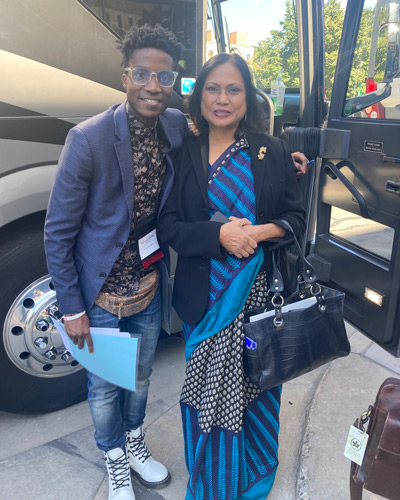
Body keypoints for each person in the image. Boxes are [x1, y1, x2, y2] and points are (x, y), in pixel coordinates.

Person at [44, 25, 188, 500]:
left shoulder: (173, 125)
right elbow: (57, 231)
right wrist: (71, 309)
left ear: (173, 83)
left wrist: (282, 157)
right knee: (105, 387)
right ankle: (114, 458)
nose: (153, 85)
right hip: (100, 294)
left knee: (142, 376)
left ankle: (134, 442)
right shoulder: (87, 139)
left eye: (164, 77)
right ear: (125, 78)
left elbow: (225, 133)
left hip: (147, 288)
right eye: (143, 74)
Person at [158, 52, 306, 500]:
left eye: (234, 89)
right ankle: (213, 483)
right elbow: (170, 228)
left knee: (257, 392)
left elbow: (296, 219)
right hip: (204, 304)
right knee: (207, 400)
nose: (222, 99)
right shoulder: (182, 155)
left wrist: (258, 233)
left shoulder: (273, 151)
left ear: (248, 97)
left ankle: (256, 474)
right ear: (199, 94)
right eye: (213, 88)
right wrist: (219, 235)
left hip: (259, 304)